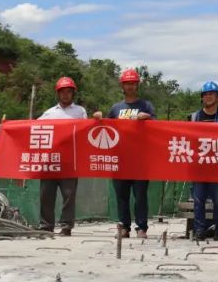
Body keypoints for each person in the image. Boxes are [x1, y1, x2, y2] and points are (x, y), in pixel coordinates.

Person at [94, 68, 154, 239]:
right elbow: (106, 129)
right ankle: (124, 227)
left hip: (140, 160)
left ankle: (141, 227)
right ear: (122, 86)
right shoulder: (116, 108)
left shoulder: (146, 106)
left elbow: (157, 128)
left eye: (133, 83)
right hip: (119, 159)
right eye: (127, 83)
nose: (130, 86)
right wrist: (98, 119)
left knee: (140, 196)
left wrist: (148, 118)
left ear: (137, 85)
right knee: (121, 196)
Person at [36, 77, 86, 236]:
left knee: (69, 195)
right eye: (62, 92)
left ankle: (66, 226)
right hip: (50, 160)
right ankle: (46, 226)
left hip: (69, 161)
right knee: (46, 194)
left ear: (73, 93)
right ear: (58, 94)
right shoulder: (49, 113)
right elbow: (32, 128)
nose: (65, 94)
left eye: (68, 91)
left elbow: (85, 131)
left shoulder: (80, 111)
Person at [189, 81, 218, 241]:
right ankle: (199, 230)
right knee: (198, 200)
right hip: (199, 166)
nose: (208, 97)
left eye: (211, 94)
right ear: (202, 98)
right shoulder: (194, 117)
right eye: (205, 94)